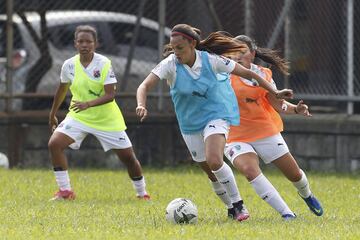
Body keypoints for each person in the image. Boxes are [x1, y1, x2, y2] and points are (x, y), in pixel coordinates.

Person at [136, 24, 293, 221]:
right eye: (173, 48)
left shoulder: (211, 61)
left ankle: (238, 205)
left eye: (180, 48)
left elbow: (250, 74)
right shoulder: (170, 64)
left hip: (217, 115)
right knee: (211, 172)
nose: (176, 52)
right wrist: (141, 104)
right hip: (189, 123)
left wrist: (276, 92)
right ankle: (230, 207)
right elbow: (144, 85)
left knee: (215, 159)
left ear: (192, 44)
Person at [223, 35, 323, 220]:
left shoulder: (263, 75)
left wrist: (296, 109)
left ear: (252, 54)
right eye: (232, 52)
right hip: (234, 135)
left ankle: (307, 195)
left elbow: (277, 103)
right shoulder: (221, 73)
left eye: (242, 52)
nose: (237, 56)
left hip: (264, 131)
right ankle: (287, 214)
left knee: (294, 174)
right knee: (249, 170)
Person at [48, 25, 150, 201]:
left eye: (88, 41)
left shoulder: (103, 64)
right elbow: (62, 90)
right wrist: (53, 113)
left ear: (96, 44)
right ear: (75, 44)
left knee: (128, 158)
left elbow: (110, 95)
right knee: (54, 144)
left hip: (106, 119)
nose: (84, 45)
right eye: (80, 41)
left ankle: (142, 193)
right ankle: (65, 192)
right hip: (78, 115)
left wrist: (88, 104)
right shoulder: (69, 65)